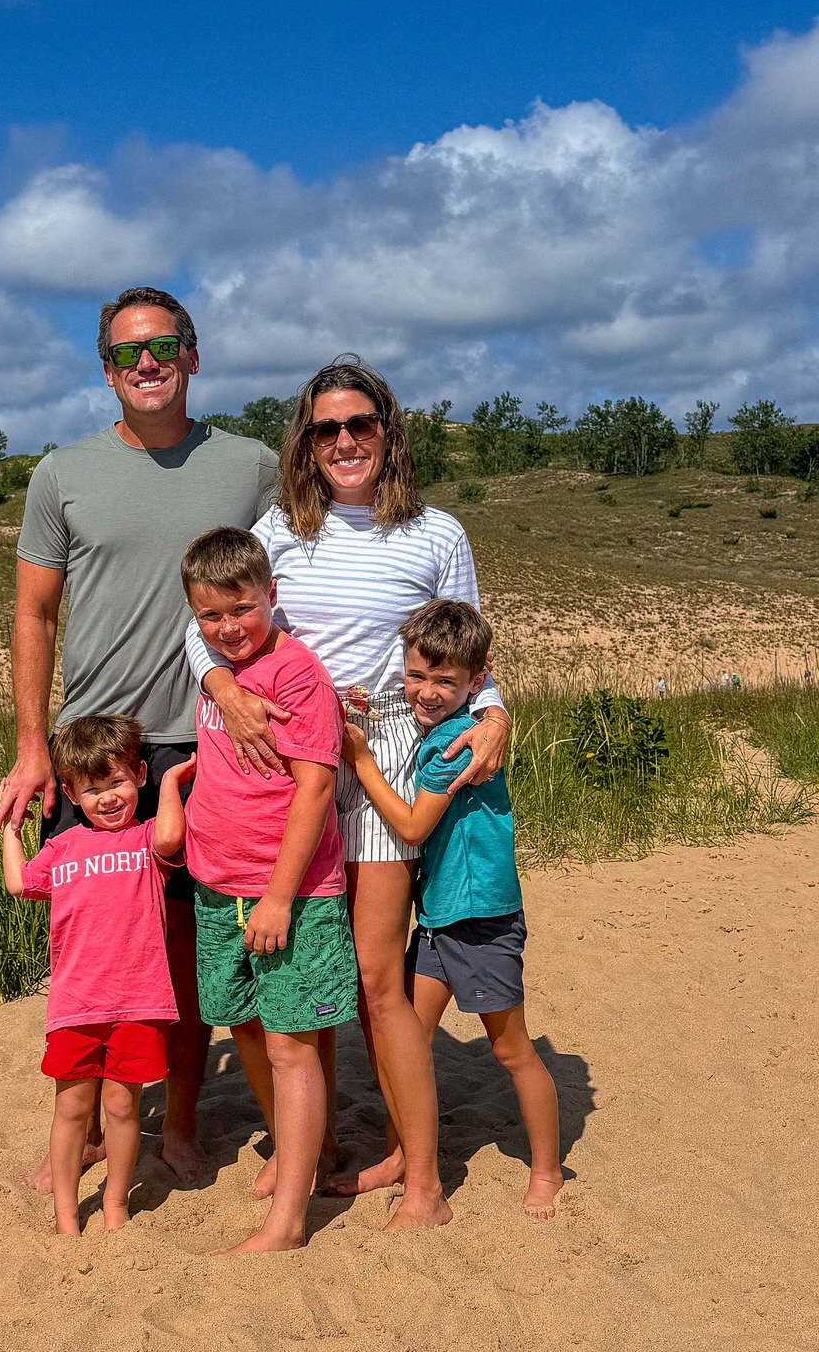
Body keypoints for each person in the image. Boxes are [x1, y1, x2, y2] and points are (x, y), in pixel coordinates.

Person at [186, 358, 510, 1230]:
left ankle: (424, 1182)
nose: (344, 441)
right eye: (325, 428)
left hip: (384, 755)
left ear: (388, 430)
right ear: (305, 441)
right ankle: (314, 1147)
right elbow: (207, 625)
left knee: (373, 974)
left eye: (359, 423)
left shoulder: (437, 533)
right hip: (283, 765)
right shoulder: (281, 531)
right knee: (301, 972)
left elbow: (472, 658)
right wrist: (221, 689)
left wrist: (497, 717)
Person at [0, 286, 280, 1184]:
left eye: (165, 346)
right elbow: (35, 615)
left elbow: (292, 587)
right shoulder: (61, 475)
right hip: (95, 752)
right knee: (85, 945)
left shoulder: (253, 466)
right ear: (106, 368)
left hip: (210, 744)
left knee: (188, 951)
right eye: (127, 353)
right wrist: (33, 748)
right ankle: (78, 1129)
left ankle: (182, 1122)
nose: (147, 364)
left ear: (193, 356)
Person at [342, 600, 563, 1219]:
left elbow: (411, 828)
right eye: (417, 676)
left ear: (477, 679)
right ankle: (402, 1155)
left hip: (481, 919)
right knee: (404, 1034)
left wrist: (360, 761)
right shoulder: (434, 732)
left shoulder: (456, 744)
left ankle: (547, 1170)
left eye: (446, 681)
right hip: (439, 918)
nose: (428, 691)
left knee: (510, 1048)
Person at [181, 528, 358, 1252]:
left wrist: (282, 896)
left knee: (292, 1045)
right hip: (218, 887)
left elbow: (315, 788)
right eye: (210, 617)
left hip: (288, 891)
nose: (228, 628)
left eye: (242, 609)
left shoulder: (296, 674)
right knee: (244, 1025)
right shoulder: (220, 674)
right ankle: (297, 1149)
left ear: (272, 597)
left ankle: (288, 1222)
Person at [1, 715, 194, 1234]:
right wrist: (12, 831)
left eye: (117, 783)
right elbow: (20, 885)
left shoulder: (147, 839)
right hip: (75, 1005)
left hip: (139, 1003)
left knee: (122, 1108)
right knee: (71, 1109)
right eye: (92, 789)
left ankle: (114, 1203)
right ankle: (67, 1213)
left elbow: (174, 837)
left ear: (138, 777)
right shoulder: (61, 848)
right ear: (71, 793)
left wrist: (172, 781)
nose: (107, 798)